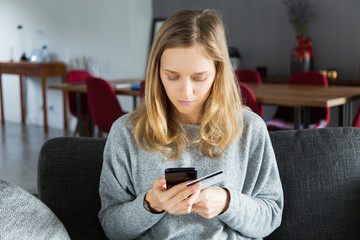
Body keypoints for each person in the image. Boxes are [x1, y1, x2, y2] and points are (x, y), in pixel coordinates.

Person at [98, 9, 283, 240]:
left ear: (218, 72)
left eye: (199, 77)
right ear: (157, 72)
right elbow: (111, 227)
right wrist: (151, 204)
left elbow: (271, 216)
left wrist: (228, 202)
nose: (185, 92)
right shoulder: (126, 132)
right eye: (172, 76)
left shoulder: (249, 128)